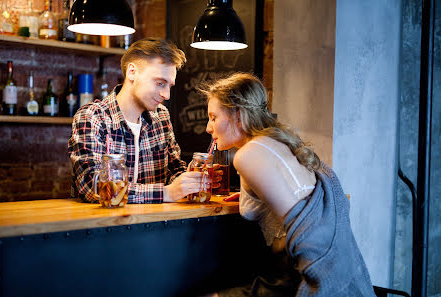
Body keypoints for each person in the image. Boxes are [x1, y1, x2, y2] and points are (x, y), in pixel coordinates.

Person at [202, 72, 376, 296]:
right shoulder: (275, 141)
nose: (208, 127)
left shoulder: (247, 155)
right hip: (308, 269)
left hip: (298, 277)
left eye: (213, 117)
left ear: (238, 115)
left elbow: (300, 230)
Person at [68, 37, 211, 203]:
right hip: (101, 226)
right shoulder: (93, 117)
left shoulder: (161, 116)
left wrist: (193, 181)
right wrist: (165, 193)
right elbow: (90, 185)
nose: (167, 95)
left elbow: (174, 170)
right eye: (160, 83)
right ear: (132, 72)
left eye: (169, 86)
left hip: (152, 225)